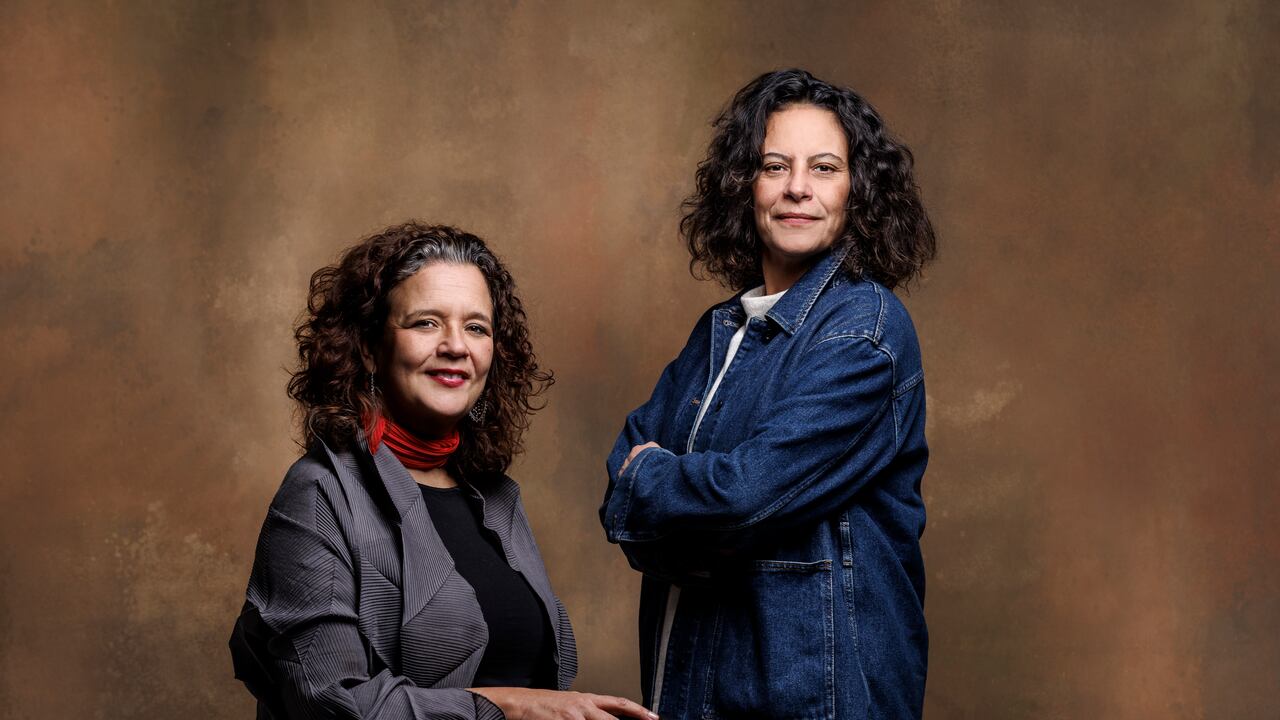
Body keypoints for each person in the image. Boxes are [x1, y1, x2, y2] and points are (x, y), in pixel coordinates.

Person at [600, 69, 937, 719]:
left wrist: (675, 502)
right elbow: (622, 479)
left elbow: (745, 494)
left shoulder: (865, 332)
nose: (797, 188)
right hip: (695, 695)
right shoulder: (718, 331)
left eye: (825, 168)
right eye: (774, 166)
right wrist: (682, 513)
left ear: (858, 191)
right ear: (744, 187)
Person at [230, 222, 655, 720]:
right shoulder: (319, 495)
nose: (457, 345)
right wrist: (512, 708)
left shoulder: (495, 498)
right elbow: (332, 702)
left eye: (476, 327)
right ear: (369, 347)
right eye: (426, 323)